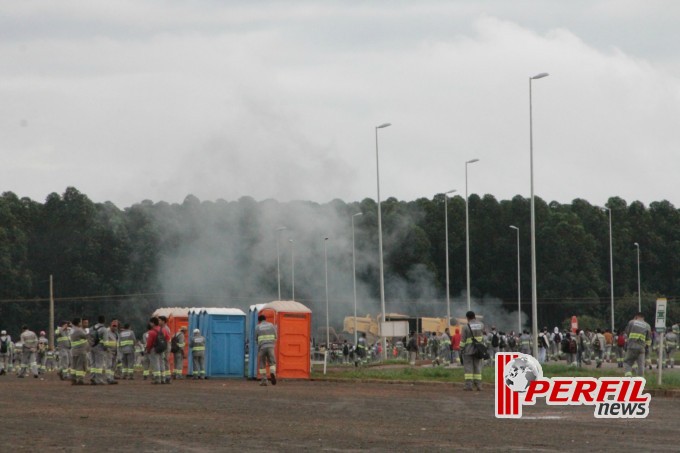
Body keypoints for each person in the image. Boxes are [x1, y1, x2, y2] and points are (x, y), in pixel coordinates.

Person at [461, 311, 484, 391]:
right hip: (478, 350)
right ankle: (479, 385)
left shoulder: (465, 327)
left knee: (468, 368)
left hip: (468, 350)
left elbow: (463, 340)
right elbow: (482, 337)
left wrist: (461, 348)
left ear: (467, 318)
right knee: (477, 367)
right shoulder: (481, 325)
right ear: (475, 316)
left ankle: (469, 386)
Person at [623, 312, 651, 377]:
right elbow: (648, 339)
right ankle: (640, 380)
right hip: (641, 348)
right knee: (641, 365)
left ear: (636, 316)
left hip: (631, 346)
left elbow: (627, 333)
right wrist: (647, 349)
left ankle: (628, 377)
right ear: (643, 318)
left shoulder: (632, 322)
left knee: (628, 362)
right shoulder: (647, 325)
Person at [255, 314, 277, 386]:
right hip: (271, 347)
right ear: (265, 319)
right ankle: (272, 373)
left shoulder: (258, 327)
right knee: (272, 362)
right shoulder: (271, 325)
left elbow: (256, 338)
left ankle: (264, 380)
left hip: (262, 347)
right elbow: (275, 336)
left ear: (259, 321)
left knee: (262, 364)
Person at [69, 318, 89, 385]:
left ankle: (73, 379)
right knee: (80, 366)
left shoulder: (72, 330)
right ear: (78, 323)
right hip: (81, 350)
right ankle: (80, 380)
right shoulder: (79, 330)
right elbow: (87, 336)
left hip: (74, 350)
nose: (81, 323)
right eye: (80, 322)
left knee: (74, 366)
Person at [145, 317, 163, 384]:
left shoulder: (152, 332)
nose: (149, 324)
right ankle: (162, 378)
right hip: (161, 348)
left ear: (153, 323)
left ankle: (157, 379)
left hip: (154, 349)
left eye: (150, 322)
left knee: (155, 364)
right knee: (160, 363)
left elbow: (149, 343)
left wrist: (148, 350)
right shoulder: (162, 329)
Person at [102, 320, 119, 384]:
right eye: (113, 326)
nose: (115, 327)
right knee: (109, 365)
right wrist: (107, 349)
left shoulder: (116, 333)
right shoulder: (106, 331)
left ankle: (111, 378)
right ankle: (108, 378)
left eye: (116, 326)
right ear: (110, 325)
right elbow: (105, 341)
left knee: (114, 366)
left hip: (115, 351)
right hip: (109, 351)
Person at [158, 316, 172, 384]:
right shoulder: (163, 328)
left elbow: (166, 339)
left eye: (159, 320)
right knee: (164, 361)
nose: (158, 321)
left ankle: (167, 377)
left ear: (163, 321)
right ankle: (166, 377)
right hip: (165, 345)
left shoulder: (165, 329)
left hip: (165, 346)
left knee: (165, 361)